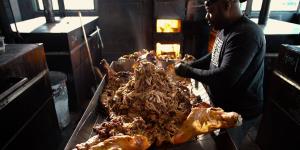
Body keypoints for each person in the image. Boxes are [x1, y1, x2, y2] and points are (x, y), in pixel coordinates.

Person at [175, 0, 266, 148]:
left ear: (227, 5)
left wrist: (188, 71)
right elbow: (214, 56)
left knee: (226, 145)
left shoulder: (246, 34)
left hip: (239, 110)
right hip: (222, 103)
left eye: (210, 11)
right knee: (218, 141)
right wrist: (191, 65)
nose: (207, 16)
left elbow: (224, 78)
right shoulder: (226, 28)